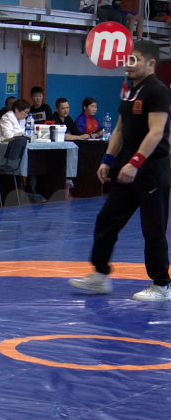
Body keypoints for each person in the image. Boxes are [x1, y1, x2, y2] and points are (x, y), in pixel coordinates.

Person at [68, 41, 171, 301]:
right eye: (127, 59)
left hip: (151, 169)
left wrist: (135, 163)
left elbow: (156, 132)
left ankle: (162, 285)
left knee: (153, 228)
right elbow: (120, 129)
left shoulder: (157, 91)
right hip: (127, 167)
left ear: (151, 64)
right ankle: (100, 275)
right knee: (107, 219)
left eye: (135, 60)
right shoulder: (128, 90)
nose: (128, 64)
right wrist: (107, 159)